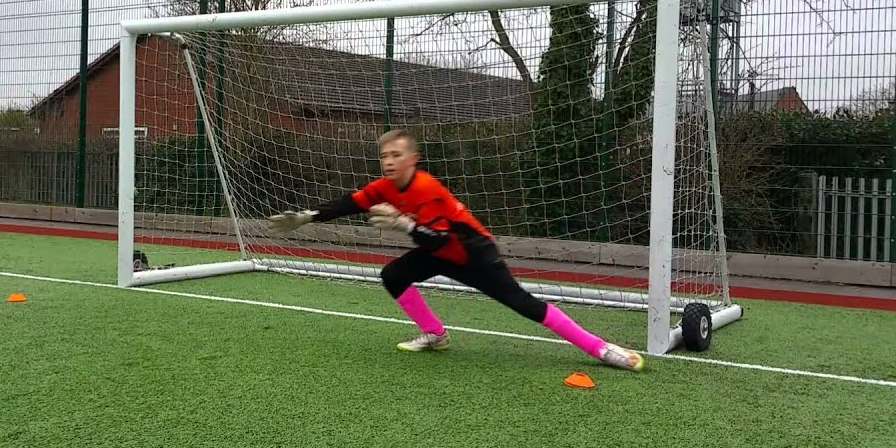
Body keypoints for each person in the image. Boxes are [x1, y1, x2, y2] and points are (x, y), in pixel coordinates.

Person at [267, 129, 645, 372]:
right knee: (393, 275)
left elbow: (444, 240)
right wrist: (308, 216)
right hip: (436, 250)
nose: (388, 160)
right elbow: (353, 202)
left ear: (413, 159)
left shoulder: (427, 188)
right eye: (384, 155)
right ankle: (435, 334)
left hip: (472, 253)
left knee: (523, 304)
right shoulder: (385, 186)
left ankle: (600, 348)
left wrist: (405, 225)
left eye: (396, 154)